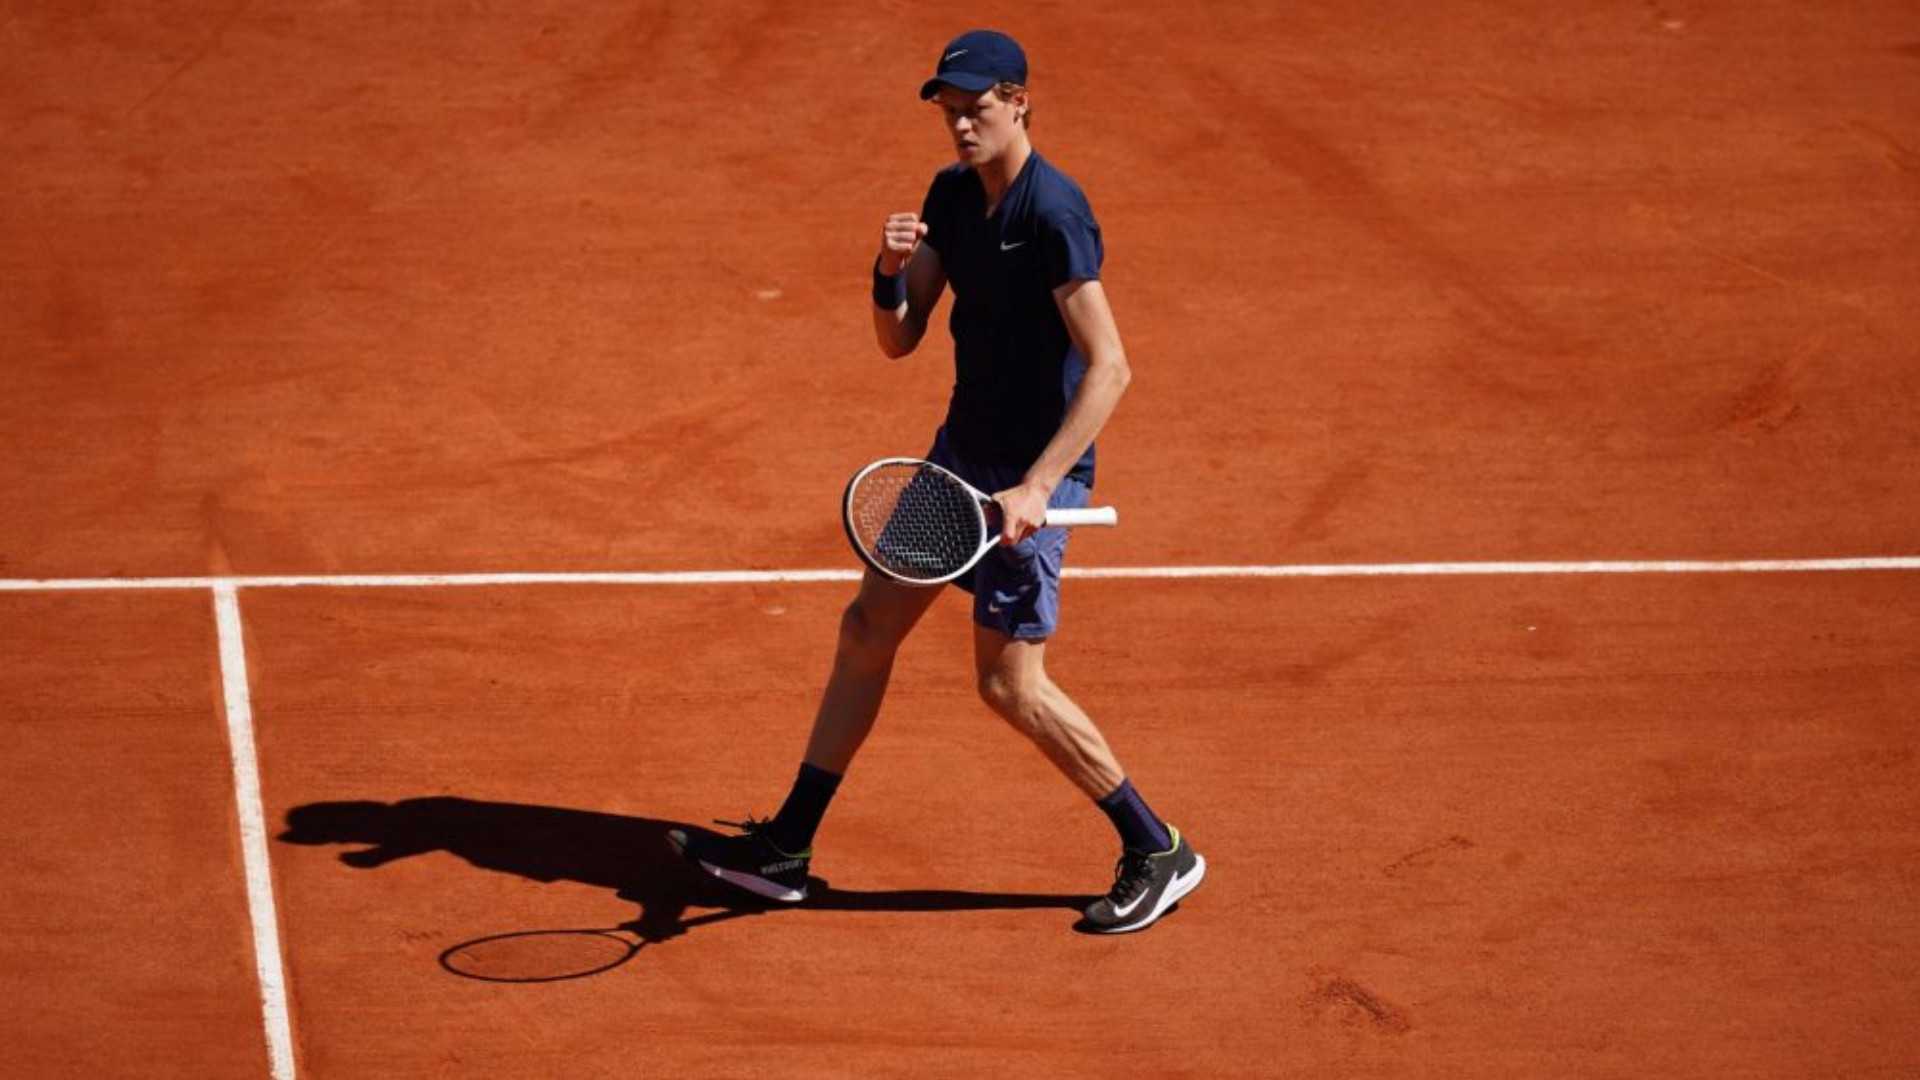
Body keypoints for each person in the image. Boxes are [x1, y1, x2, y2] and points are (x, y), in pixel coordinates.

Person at [672, 29, 1204, 934]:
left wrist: (1040, 487)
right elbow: (900, 337)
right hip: (958, 463)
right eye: (949, 110)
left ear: (1020, 100)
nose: (960, 124)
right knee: (867, 624)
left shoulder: (1054, 212)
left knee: (1008, 686)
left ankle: (1158, 849)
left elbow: (1111, 365)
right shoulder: (951, 200)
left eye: (977, 107)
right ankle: (789, 849)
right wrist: (886, 273)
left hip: (1032, 476)